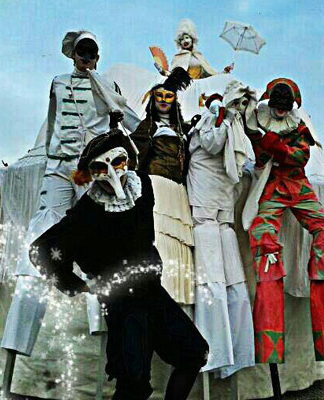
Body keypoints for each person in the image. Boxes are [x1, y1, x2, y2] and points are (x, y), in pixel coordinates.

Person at [29, 129, 208, 400]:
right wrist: (78, 285)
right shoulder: (87, 211)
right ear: (91, 172)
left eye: (117, 162)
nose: (112, 172)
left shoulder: (143, 186)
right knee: (133, 383)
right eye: (101, 167)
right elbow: (40, 251)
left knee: (193, 353)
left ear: (127, 160)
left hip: (153, 293)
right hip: (123, 303)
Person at [2, 30, 140, 357]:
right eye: (81, 51)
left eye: (91, 51)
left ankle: (101, 322)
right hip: (61, 165)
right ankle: (19, 336)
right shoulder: (58, 82)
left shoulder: (108, 84)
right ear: (73, 54)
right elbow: (52, 124)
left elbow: (131, 123)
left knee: (100, 234)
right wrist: (47, 155)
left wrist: (114, 109)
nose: (86, 56)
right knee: (42, 230)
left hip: (92, 167)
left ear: (98, 56)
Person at [244, 78, 324, 364]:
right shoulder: (257, 121)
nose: (281, 110)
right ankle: (268, 344)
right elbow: (256, 153)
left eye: (285, 106)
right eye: (277, 105)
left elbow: (300, 157)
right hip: (273, 188)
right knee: (264, 241)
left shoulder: (299, 127)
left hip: (298, 186)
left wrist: (273, 145)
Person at [186, 82, 256, 378]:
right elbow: (213, 143)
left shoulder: (235, 124)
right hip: (204, 204)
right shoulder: (211, 120)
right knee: (211, 278)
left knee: (233, 280)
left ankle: (235, 352)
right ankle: (212, 353)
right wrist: (224, 116)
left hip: (222, 203)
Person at [132, 67, 195, 306]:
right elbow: (134, 152)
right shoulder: (148, 126)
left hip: (178, 191)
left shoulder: (183, 129)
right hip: (157, 187)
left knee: (177, 241)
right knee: (159, 237)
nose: (163, 101)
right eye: (159, 96)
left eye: (169, 96)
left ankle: (176, 300)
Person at [156, 18, 233, 79]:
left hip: (199, 87)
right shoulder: (178, 57)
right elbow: (172, 75)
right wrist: (162, 71)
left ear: (192, 39)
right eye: (182, 39)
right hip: (183, 87)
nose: (184, 41)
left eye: (187, 38)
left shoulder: (199, 56)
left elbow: (211, 74)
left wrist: (224, 72)